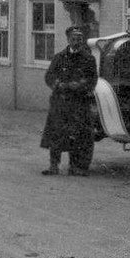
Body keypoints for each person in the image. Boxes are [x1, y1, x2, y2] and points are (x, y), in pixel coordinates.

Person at [39, 25, 98, 176]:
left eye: (79, 38)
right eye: (73, 38)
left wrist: (79, 85)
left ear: (82, 40)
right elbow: (49, 76)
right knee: (56, 135)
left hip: (78, 104)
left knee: (77, 136)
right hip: (60, 102)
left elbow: (93, 80)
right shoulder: (59, 57)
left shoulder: (88, 59)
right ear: (68, 39)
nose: (76, 41)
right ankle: (54, 166)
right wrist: (58, 84)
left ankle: (75, 167)